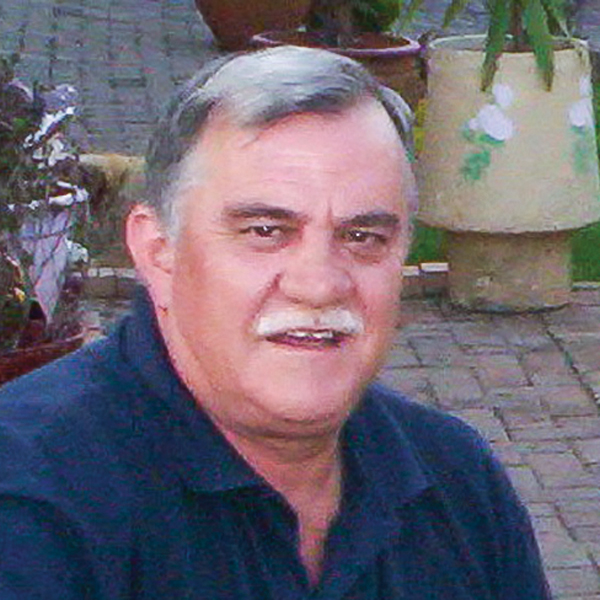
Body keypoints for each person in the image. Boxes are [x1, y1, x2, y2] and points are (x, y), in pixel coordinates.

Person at [0, 46, 550, 599]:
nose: (319, 283)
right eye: (265, 231)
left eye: (363, 237)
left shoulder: (456, 479)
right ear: (158, 252)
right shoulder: (30, 499)